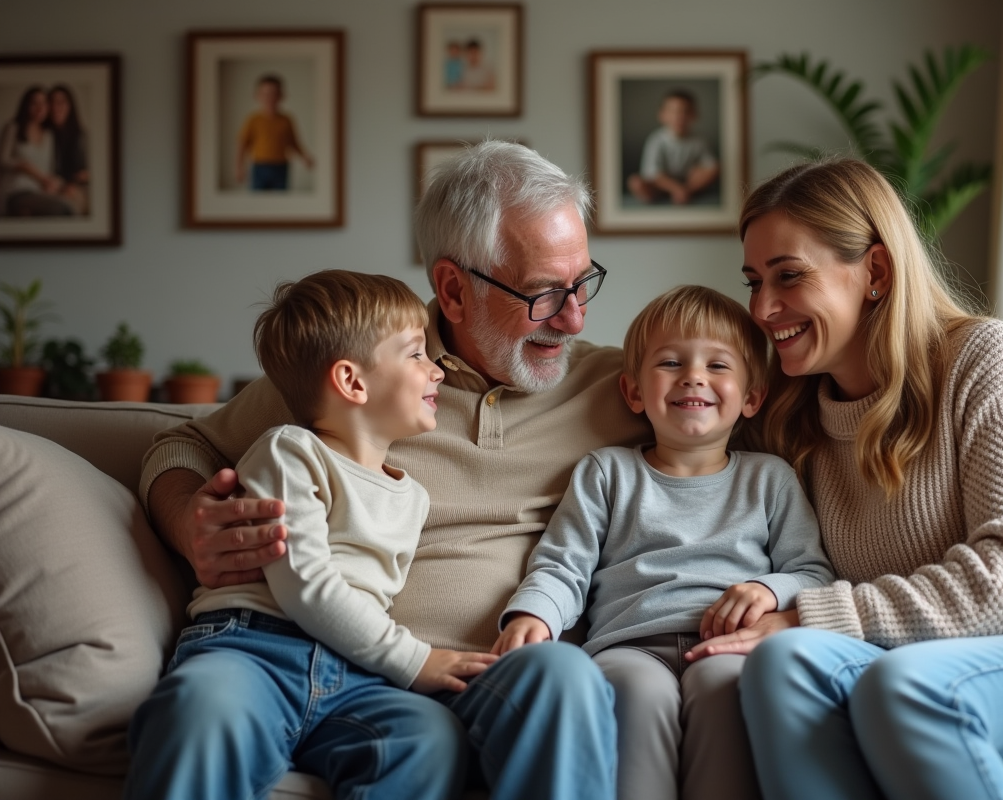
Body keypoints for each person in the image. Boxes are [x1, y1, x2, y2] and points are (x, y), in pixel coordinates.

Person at [139, 141, 652, 800]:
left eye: (583, 281)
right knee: (206, 708)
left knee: (566, 676)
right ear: (453, 289)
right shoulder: (357, 372)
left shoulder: (624, 386)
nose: (575, 316)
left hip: (488, 672)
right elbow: (179, 446)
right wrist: (188, 521)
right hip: (357, 663)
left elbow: (743, 430)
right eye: (546, 294)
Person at [685, 158, 1003, 800]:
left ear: (874, 271)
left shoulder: (981, 357)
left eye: (788, 277)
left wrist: (813, 616)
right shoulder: (788, 421)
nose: (761, 308)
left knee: (901, 688)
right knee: (778, 665)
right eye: (753, 281)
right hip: (897, 660)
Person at [125, 270, 491, 799]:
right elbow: (306, 584)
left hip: (356, 676)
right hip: (252, 651)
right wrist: (417, 661)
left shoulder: (413, 496)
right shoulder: (289, 452)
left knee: (427, 736)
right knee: (200, 707)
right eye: (415, 354)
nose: (436, 371)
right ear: (352, 382)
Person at [494, 284, 833, 800]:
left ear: (751, 398)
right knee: (635, 691)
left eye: (717, 366)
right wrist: (534, 615)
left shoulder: (771, 479)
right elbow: (564, 565)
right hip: (630, 648)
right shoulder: (607, 472)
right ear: (633, 392)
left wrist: (769, 590)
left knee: (725, 692)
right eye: (671, 363)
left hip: (728, 647)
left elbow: (814, 574)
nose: (693, 376)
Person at [627, 89, 720, 206]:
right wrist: (676, 189)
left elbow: (711, 167)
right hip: (662, 185)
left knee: (715, 166)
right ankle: (675, 194)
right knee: (636, 182)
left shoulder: (699, 141)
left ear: (694, 114)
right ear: (662, 115)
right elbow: (653, 173)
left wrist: (688, 186)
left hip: (688, 183)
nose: (679, 116)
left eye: (685, 111)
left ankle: (685, 193)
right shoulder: (656, 139)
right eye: (673, 111)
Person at [0, 85, 73, 217]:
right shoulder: (13, 127)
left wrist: (54, 183)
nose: (40, 108)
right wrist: (24, 166)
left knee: (69, 204)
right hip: (16, 191)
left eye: (44, 103)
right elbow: (3, 160)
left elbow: (49, 169)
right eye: (34, 103)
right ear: (26, 105)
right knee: (62, 208)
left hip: (40, 192)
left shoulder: (49, 135)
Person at [235, 74, 315, 191]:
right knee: (258, 201)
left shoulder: (287, 120)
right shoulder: (253, 120)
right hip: (259, 166)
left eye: (274, 94)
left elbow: (293, 142)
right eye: (265, 94)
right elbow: (242, 144)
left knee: (280, 201)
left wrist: (304, 157)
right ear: (258, 96)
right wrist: (238, 167)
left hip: (281, 166)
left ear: (281, 96)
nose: (270, 98)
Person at [47, 83, 89, 215]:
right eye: (52, 103)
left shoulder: (80, 136)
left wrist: (73, 183)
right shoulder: (42, 135)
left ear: (70, 106)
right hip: (47, 186)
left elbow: (86, 172)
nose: (55, 108)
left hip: (74, 187)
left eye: (61, 103)